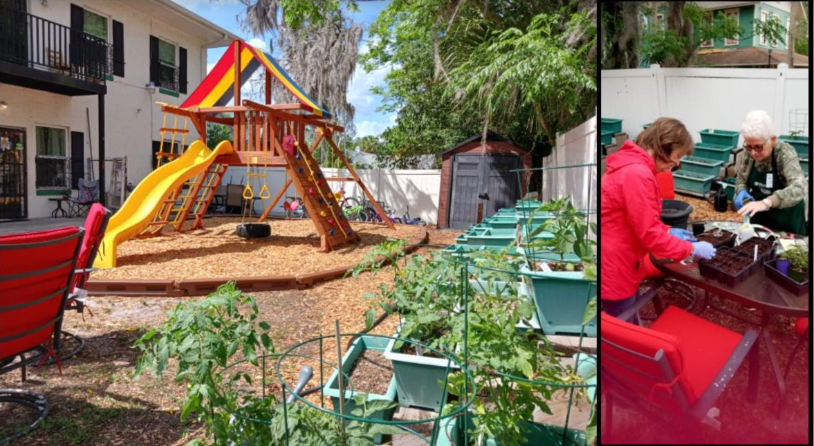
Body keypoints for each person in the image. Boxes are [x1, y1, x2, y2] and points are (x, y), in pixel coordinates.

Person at [601, 118, 716, 324]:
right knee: (624, 330)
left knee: (628, 318)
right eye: (677, 155)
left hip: (622, 262)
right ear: (664, 145)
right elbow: (650, 235)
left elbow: (638, 220)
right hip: (617, 269)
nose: (677, 163)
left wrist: (668, 230)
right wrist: (691, 249)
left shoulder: (635, 167)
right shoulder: (637, 174)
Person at [733, 110, 808, 235]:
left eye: (758, 147)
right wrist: (741, 190)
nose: (753, 152)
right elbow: (741, 178)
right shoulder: (746, 154)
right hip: (759, 219)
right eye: (749, 146)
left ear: (772, 140)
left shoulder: (784, 153)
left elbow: (800, 187)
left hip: (787, 220)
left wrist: (768, 202)